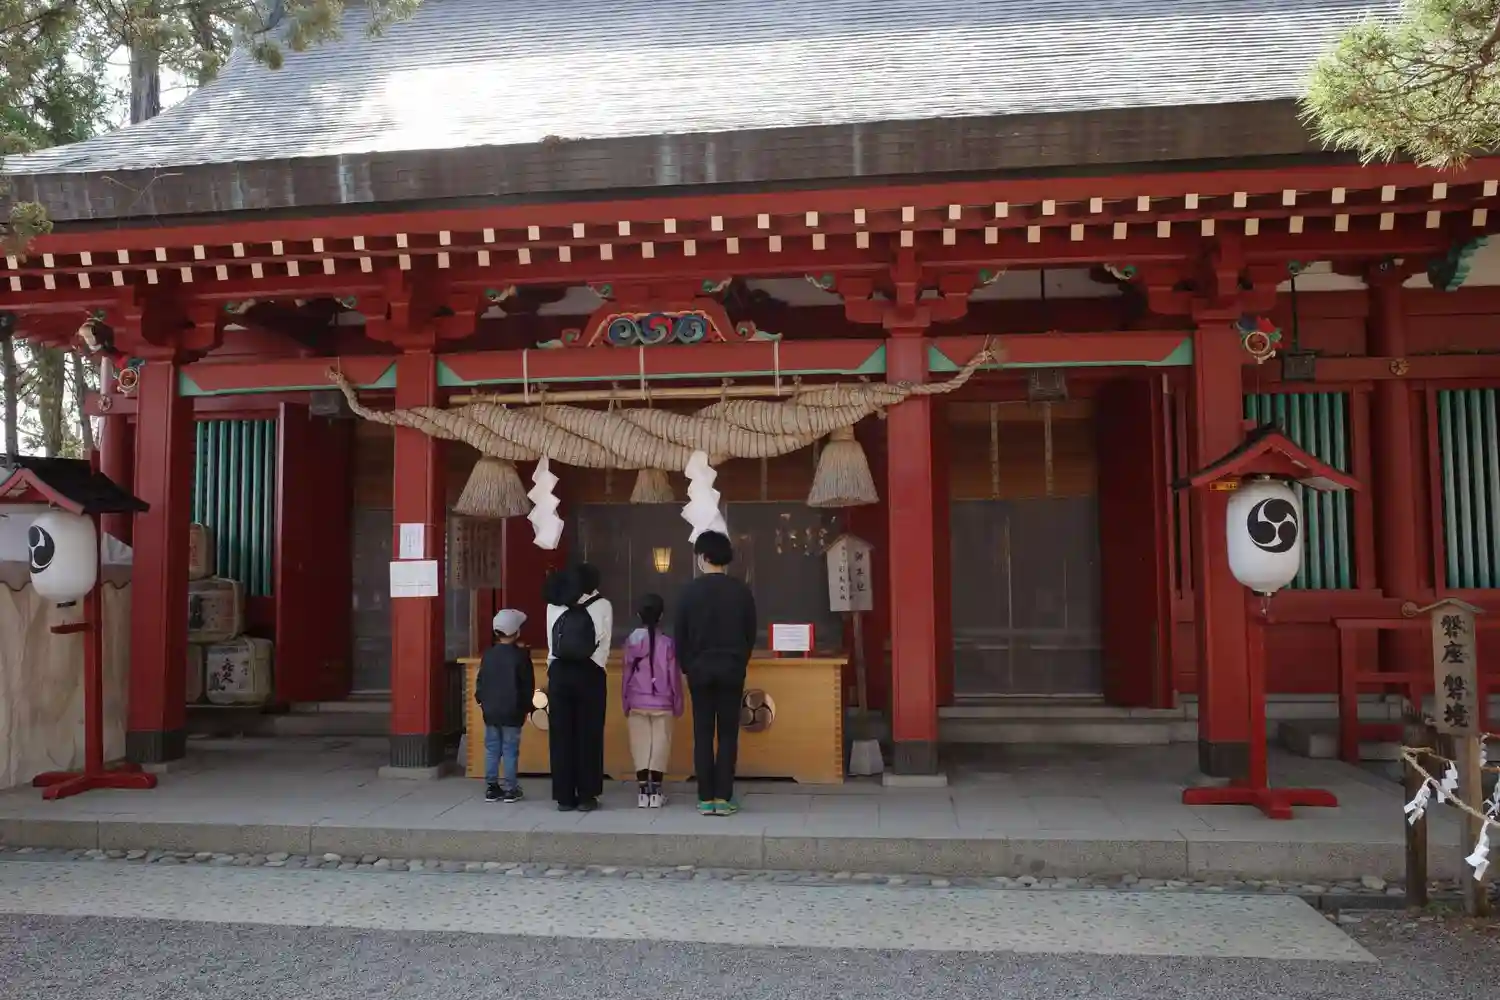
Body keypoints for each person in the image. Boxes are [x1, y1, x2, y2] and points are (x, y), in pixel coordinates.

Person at [673, 530, 757, 816]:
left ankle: (705, 798)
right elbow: (749, 634)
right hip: (732, 669)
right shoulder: (741, 591)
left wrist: (688, 666)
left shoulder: (688, 592)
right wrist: (740, 661)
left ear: (703, 557)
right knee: (729, 734)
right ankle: (724, 797)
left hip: (699, 671)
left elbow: (680, 635)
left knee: (703, 733)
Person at [544, 563, 612, 812]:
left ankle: (564, 796)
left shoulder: (553, 604)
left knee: (560, 735)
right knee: (589, 735)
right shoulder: (602, 605)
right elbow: (604, 642)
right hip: (590, 672)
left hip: (559, 672)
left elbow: (551, 641)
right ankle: (586, 796)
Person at [621, 593, 683, 809]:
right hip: (663, 701)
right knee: (660, 744)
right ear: (662, 616)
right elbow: (674, 677)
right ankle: (655, 791)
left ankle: (642, 792)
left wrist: (625, 700)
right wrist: (678, 702)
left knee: (640, 743)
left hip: (637, 700)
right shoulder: (668, 643)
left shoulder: (631, 642)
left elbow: (626, 674)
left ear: (638, 615)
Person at [473, 608, 534, 804]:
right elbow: (527, 686)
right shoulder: (521, 657)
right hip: (513, 711)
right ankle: (510, 788)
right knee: (510, 749)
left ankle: (491, 787)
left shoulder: (488, 655)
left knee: (492, 748)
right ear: (516, 632)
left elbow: (480, 682)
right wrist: (527, 708)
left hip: (491, 711)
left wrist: (482, 701)